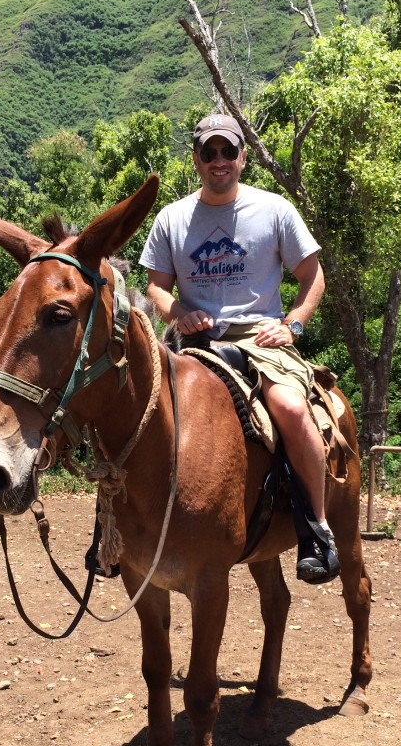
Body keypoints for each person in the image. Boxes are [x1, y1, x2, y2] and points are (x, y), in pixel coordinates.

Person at [140, 112, 340, 584]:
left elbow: (313, 277)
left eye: (227, 151)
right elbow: (155, 287)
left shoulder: (274, 210)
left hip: (260, 337)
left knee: (290, 408)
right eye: (208, 153)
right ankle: (112, 533)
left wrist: (293, 325)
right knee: (137, 408)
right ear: (196, 160)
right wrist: (177, 314)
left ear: (243, 157)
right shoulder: (172, 218)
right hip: (195, 341)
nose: (218, 161)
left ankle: (317, 528)